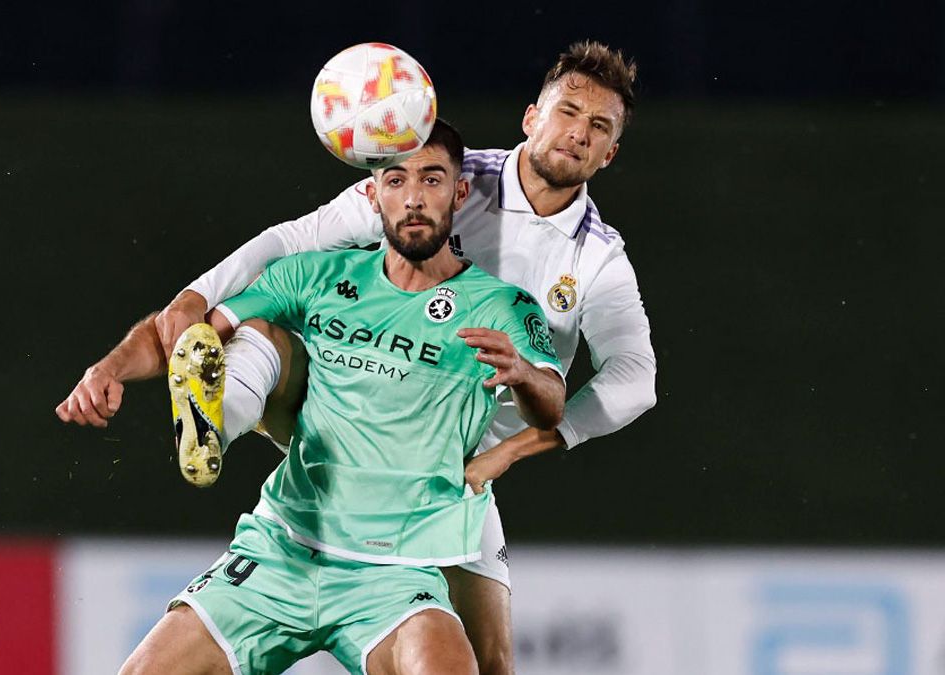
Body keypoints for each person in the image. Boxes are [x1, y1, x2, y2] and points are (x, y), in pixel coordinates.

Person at [134, 41, 658, 675]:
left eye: (598, 127)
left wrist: (508, 452)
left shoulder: (597, 260)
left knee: (491, 663)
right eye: (567, 112)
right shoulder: (437, 174)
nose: (577, 133)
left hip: (456, 473)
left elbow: (636, 382)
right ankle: (217, 419)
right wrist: (197, 297)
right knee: (269, 332)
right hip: (366, 414)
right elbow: (296, 239)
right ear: (531, 117)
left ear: (611, 153)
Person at [59, 122, 566, 674]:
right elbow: (186, 333)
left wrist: (522, 374)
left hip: (397, 571)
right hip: (283, 547)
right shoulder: (319, 276)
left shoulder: (500, 306)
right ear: (373, 195)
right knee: (248, 327)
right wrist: (110, 368)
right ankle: (214, 425)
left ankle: (222, 418)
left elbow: (552, 403)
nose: (414, 198)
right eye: (396, 180)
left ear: (459, 193)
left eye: (433, 179)